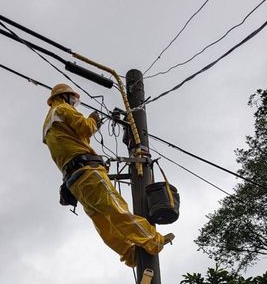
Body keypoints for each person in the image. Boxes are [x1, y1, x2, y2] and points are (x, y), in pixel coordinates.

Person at [42, 83, 174, 267]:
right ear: (65, 96)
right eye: (73, 98)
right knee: (116, 208)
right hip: (88, 171)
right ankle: (151, 239)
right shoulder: (63, 109)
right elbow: (86, 129)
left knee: (103, 223)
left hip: (74, 181)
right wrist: (94, 120)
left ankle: (130, 254)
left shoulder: (48, 124)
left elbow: (75, 139)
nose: (74, 102)